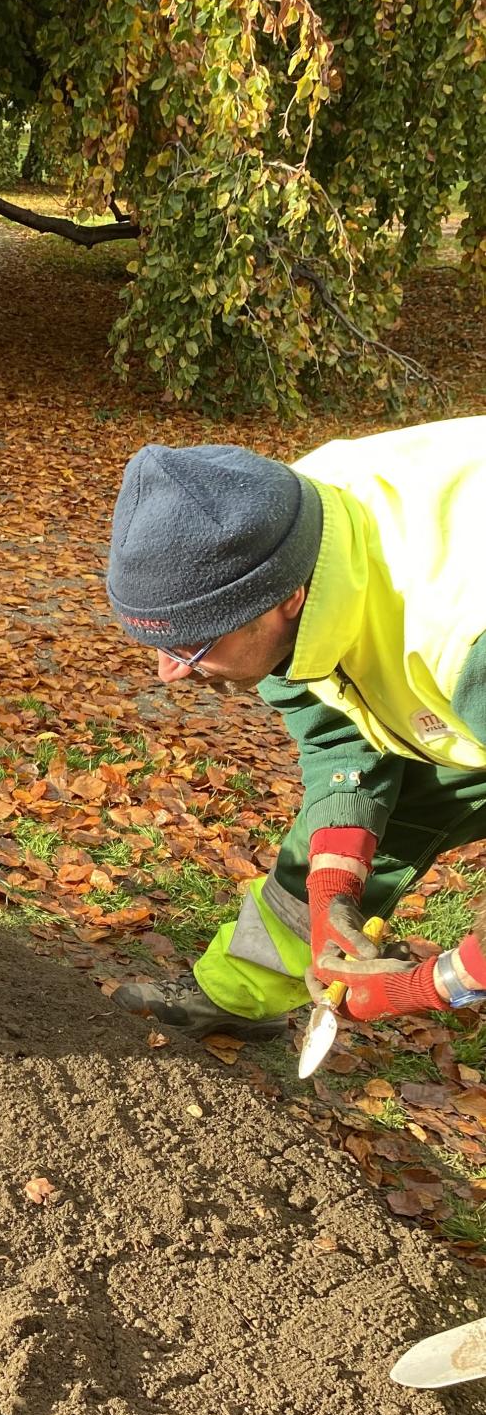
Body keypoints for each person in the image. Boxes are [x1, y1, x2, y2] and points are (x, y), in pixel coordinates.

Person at [104, 421, 486, 1040]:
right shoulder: (280, 527)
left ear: (288, 598)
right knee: (343, 848)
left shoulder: (460, 631)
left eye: (192, 642)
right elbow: (340, 735)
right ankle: (236, 993)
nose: (168, 673)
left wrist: (435, 983)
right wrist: (334, 887)